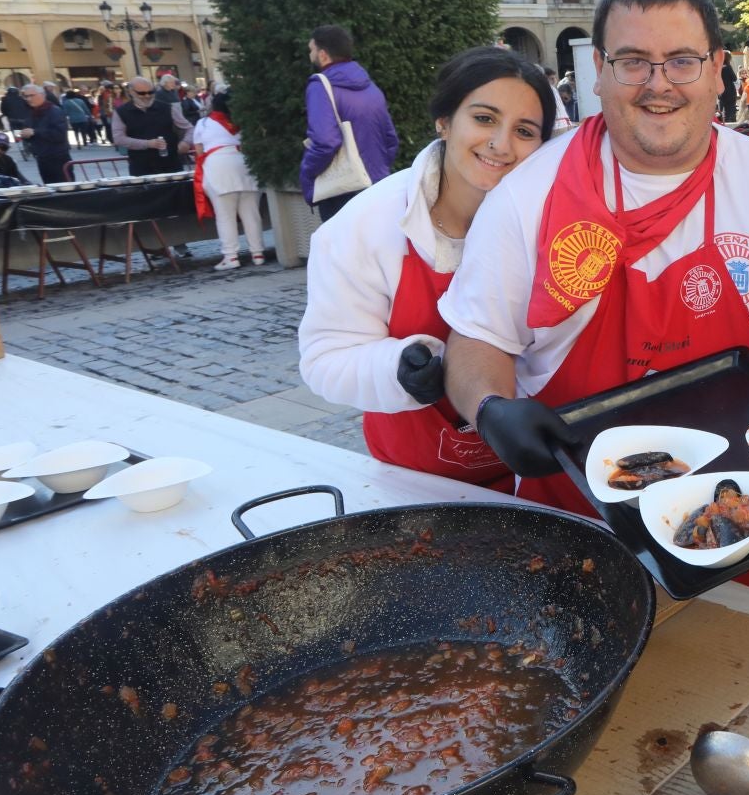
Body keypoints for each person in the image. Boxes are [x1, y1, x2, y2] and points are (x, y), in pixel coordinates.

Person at [440, 0, 749, 600]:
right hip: (579, 521)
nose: (658, 85)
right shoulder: (529, 194)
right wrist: (492, 409)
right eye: (634, 62)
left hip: (744, 514)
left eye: (682, 61)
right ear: (599, 72)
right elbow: (475, 341)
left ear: (717, 69)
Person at [301, 47, 558, 487]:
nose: (501, 143)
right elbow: (325, 359)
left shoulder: (556, 225)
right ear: (444, 120)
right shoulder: (365, 227)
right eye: (483, 119)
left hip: (537, 474)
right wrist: (398, 368)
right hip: (416, 481)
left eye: (525, 130)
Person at [301, 24, 398, 221]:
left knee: (344, 250)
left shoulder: (321, 87)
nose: (310, 55)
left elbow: (325, 141)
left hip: (342, 191)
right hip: (377, 185)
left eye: (311, 50)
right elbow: (390, 139)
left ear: (323, 55)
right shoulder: (371, 87)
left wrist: (307, 173)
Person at [192, 97, 266, 270]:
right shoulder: (243, 122)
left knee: (225, 215)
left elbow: (199, 150)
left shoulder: (203, 124)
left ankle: (231, 257)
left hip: (217, 166)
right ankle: (258, 253)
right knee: (251, 213)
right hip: (244, 164)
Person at [112, 75, 192, 176]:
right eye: (141, 93)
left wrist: (186, 142)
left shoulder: (168, 108)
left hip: (171, 165)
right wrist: (147, 144)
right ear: (131, 92)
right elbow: (119, 139)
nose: (147, 96)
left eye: (151, 92)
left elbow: (189, 128)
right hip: (141, 167)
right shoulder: (121, 112)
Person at [18, 83, 71, 184]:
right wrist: (26, 135)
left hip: (58, 158)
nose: (28, 99)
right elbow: (31, 132)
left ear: (42, 95)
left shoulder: (54, 111)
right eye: (26, 96)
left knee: (64, 187)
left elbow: (59, 135)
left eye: (31, 95)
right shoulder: (32, 112)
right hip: (42, 157)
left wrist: (35, 132)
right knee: (49, 187)